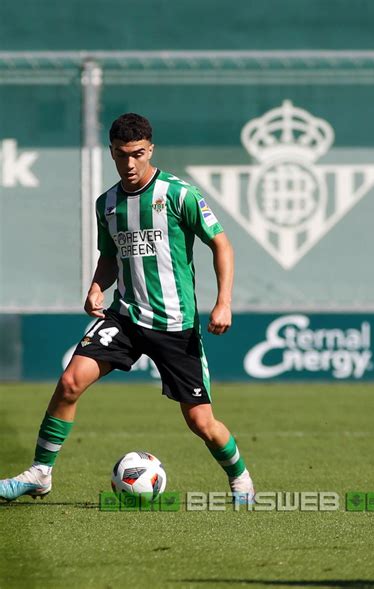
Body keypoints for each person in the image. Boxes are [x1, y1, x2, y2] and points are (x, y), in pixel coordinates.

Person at [0, 113, 254, 503]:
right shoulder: (108, 203)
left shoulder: (179, 194)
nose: (130, 164)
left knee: (201, 421)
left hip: (175, 324)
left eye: (137, 154)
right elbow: (109, 256)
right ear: (112, 153)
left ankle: (240, 481)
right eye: (122, 155)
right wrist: (97, 287)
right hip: (125, 317)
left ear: (150, 149)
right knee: (70, 383)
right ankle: (40, 473)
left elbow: (222, 244)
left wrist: (223, 302)